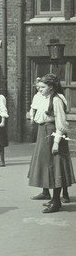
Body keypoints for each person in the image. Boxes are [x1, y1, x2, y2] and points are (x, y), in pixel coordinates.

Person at [28, 74, 75, 213]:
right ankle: (52, 197)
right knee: (47, 166)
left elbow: (61, 123)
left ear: (51, 87)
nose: (40, 89)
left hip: (53, 134)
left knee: (55, 167)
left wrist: (56, 142)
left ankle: (56, 201)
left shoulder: (56, 100)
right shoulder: (45, 98)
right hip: (44, 132)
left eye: (43, 87)